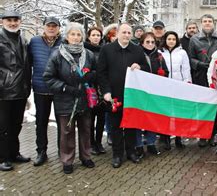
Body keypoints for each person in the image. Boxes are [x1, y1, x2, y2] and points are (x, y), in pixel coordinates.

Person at [43, 22, 97, 174]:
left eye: (78, 34)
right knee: (67, 132)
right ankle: (67, 160)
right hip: (65, 99)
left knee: (86, 129)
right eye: (72, 34)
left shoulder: (89, 55)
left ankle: (86, 156)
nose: (75, 37)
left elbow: (97, 71)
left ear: (82, 37)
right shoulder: (57, 54)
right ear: (67, 36)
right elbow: (48, 77)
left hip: (83, 99)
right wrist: (65, 88)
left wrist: (91, 75)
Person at [97, 23, 149, 168]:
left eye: (129, 32)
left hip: (132, 95)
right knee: (116, 126)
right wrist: (106, 92)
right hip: (114, 95)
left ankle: (131, 152)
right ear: (117, 33)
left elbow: (146, 68)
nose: (126, 35)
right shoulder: (107, 49)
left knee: (131, 125)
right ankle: (117, 155)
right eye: (124, 32)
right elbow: (101, 73)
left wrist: (140, 67)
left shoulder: (137, 50)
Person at [28, 17, 62, 166]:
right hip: (40, 88)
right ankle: (41, 151)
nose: (52, 28)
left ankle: (63, 151)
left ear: (59, 28)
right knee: (41, 122)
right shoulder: (34, 42)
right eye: (49, 26)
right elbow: (27, 63)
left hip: (60, 89)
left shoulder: (64, 42)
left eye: (55, 26)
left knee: (63, 122)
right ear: (44, 27)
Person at [0, 11, 32, 172]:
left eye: (15, 20)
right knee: (3, 127)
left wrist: (27, 87)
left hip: (21, 90)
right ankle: (3, 157)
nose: (12, 23)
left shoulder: (23, 40)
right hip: (4, 92)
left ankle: (14, 153)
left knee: (16, 125)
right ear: (2, 22)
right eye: (9, 20)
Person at [188, 14, 217, 147]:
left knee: (215, 107)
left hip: (216, 78)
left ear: (214, 23)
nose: (207, 23)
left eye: (210, 21)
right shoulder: (194, 39)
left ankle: (213, 134)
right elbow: (190, 58)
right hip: (201, 76)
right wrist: (200, 65)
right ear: (201, 23)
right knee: (203, 107)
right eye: (205, 21)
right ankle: (203, 135)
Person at [135, 32, 168, 157]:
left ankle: (151, 143)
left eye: (152, 42)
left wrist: (162, 73)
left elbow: (166, 72)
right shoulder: (136, 55)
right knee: (138, 119)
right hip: (139, 92)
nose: (150, 44)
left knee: (152, 118)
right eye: (147, 42)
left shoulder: (159, 56)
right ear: (142, 43)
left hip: (154, 92)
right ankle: (138, 145)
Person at [158, 31, 191, 150]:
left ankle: (178, 138)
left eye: (173, 39)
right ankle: (165, 138)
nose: (171, 41)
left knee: (178, 113)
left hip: (179, 86)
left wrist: (187, 82)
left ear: (176, 40)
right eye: (169, 39)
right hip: (164, 86)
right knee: (165, 113)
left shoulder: (182, 53)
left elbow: (186, 69)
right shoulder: (159, 52)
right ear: (165, 40)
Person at [84, 27, 107, 155]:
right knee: (90, 118)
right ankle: (91, 143)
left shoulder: (105, 50)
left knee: (101, 117)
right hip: (90, 88)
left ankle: (99, 142)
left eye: (98, 35)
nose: (96, 37)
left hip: (102, 89)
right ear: (89, 36)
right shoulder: (85, 50)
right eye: (93, 35)